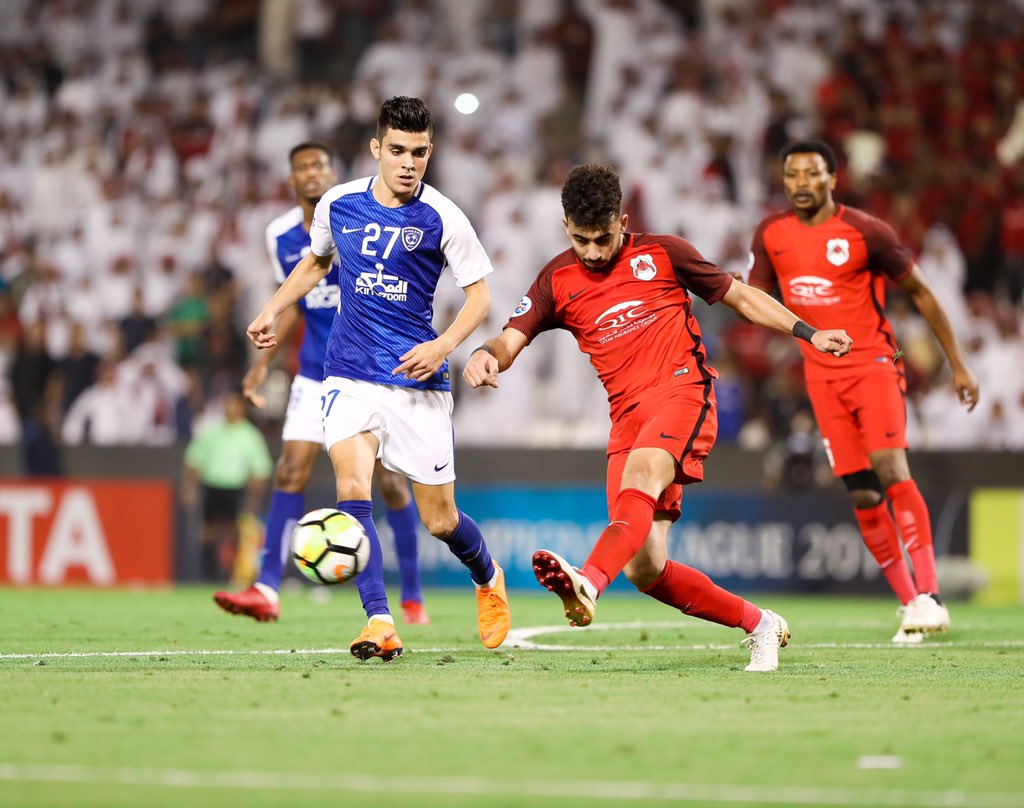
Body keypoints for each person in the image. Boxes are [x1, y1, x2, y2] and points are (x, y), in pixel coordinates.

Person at [464, 164, 853, 672]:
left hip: (682, 392)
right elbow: (510, 338)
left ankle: (587, 583)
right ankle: (760, 623)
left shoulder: (665, 253)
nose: (594, 252)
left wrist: (809, 332)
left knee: (642, 476)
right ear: (566, 227)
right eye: (582, 240)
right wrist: (487, 354)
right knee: (646, 568)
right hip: (626, 418)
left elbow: (741, 297)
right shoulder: (555, 280)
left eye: (603, 238)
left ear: (622, 220)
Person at [245, 97, 511, 662]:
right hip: (347, 370)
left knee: (440, 520)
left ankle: (488, 576)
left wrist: (442, 345)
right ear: (376, 150)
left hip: (418, 380)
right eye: (397, 151)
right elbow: (317, 262)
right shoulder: (339, 204)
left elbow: (480, 297)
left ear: (430, 152)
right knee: (352, 491)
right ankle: (380, 621)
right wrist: (272, 308)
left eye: (419, 152)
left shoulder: (444, 216)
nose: (408, 162)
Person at [745, 140, 980, 643]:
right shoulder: (771, 234)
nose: (800, 183)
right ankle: (911, 605)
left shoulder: (866, 231)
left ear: (832, 177)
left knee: (891, 466)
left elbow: (920, 292)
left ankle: (932, 596)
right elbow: (755, 296)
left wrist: (957, 364)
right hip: (819, 376)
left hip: (874, 364)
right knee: (862, 491)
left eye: (811, 173)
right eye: (792, 175)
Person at [214, 141, 430, 625]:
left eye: (320, 165)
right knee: (290, 470)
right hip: (314, 372)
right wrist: (262, 363)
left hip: (368, 371)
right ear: (292, 181)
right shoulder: (280, 236)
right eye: (302, 168)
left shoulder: (363, 219)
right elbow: (298, 300)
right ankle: (267, 588)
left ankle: (413, 595)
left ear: (334, 172)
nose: (312, 173)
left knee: (391, 485)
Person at [183, 389, 273, 581]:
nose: (229, 408)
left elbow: (260, 470)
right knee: (208, 533)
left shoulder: (250, 435)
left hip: (236, 488)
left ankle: (233, 575)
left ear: (242, 407)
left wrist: (253, 497)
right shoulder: (211, 431)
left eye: (234, 403)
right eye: (227, 403)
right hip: (212, 486)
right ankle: (207, 576)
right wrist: (190, 487)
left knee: (235, 533)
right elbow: (194, 460)